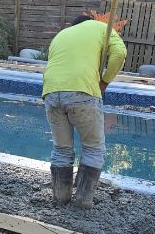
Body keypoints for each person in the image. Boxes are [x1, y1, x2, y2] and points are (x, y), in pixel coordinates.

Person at [42, 14, 126, 209]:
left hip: (51, 92)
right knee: (93, 148)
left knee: (61, 150)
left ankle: (60, 200)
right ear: (91, 21)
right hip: (83, 90)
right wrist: (104, 81)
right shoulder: (101, 28)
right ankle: (82, 202)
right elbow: (120, 53)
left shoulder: (61, 35)